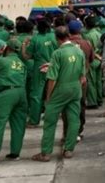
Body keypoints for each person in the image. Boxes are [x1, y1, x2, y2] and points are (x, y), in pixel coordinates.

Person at [32, 26, 86, 162]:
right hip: (75, 88)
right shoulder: (79, 52)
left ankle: (45, 153)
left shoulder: (57, 53)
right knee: (74, 119)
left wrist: (49, 96)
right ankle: (69, 149)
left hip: (61, 89)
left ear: (57, 39)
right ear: (68, 36)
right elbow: (83, 76)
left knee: (50, 121)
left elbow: (52, 79)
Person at [22, 18, 57, 127]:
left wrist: (24, 45)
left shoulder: (35, 39)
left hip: (40, 67)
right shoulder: (54, 37)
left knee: (36, 94)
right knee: (54, 93)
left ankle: (34, 120)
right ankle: (52, 119)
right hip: (54, 66)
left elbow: (27, 56)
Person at [64, 20, 93, 140]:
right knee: (81, 106)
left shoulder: (65, 45)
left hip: (66, 81)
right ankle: (79, 130)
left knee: (67, 108)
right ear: (80, 30)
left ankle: (68, 132)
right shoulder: (87, 44)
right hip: (82, 80)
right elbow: (91, 60)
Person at [82, 15, 103, 109]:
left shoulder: (87, 36)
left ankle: (92, 102)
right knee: (98, 81)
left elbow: (89, 50)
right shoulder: (99, 33)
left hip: (92, 59)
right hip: (100, 58)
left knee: (91, 81)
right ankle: (99, 99)